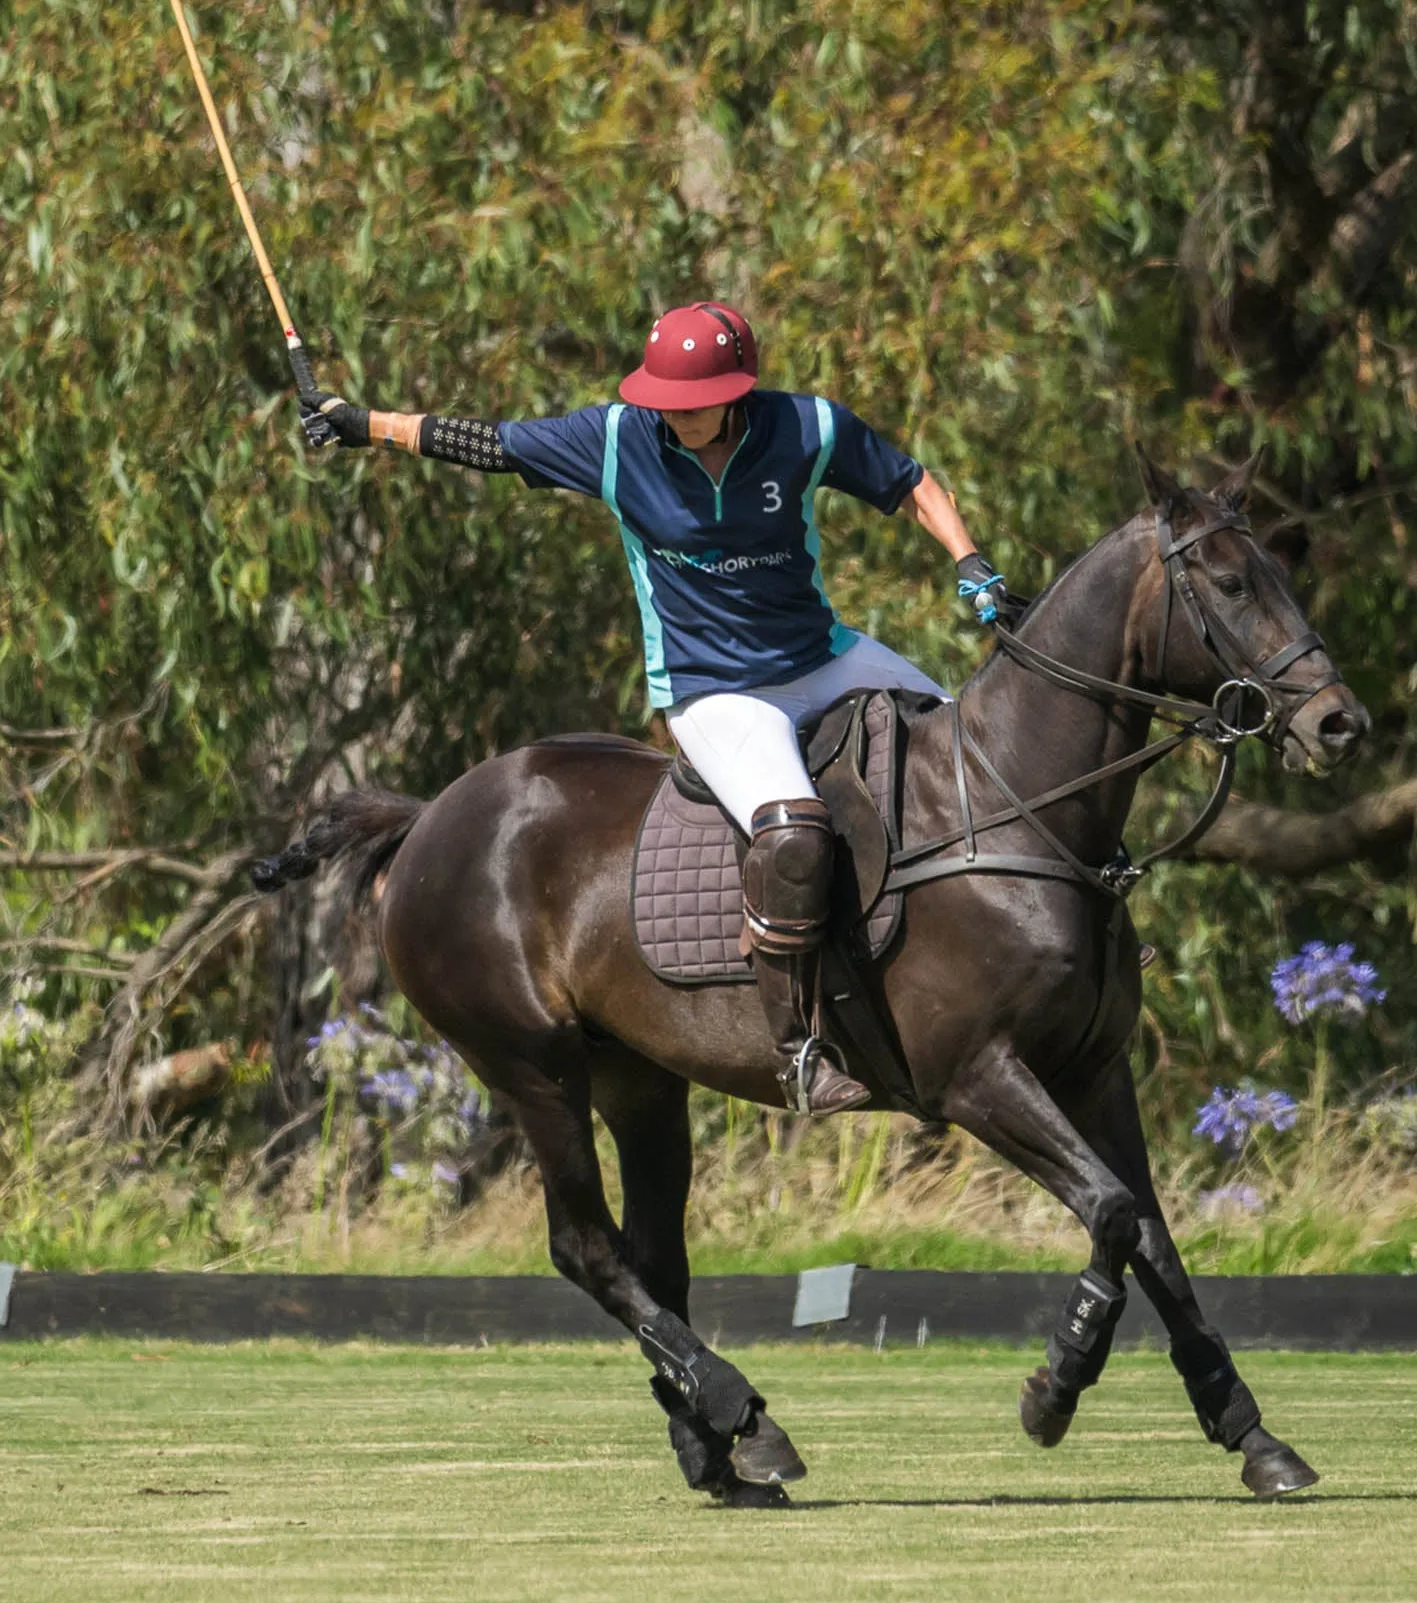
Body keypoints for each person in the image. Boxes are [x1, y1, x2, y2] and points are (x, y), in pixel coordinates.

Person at [300, 302, 1006, 1115]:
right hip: (715, 691)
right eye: (663, 400)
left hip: (823, 656)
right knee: (792, 835)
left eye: (693, 402)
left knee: (977, 759)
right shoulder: (615, 440)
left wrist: (970, 562)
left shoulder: (806, 426)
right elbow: (487, 442)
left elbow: (910, 482)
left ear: (740, 392)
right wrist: (360, 423)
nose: (674, 415)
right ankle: (802, 1046)